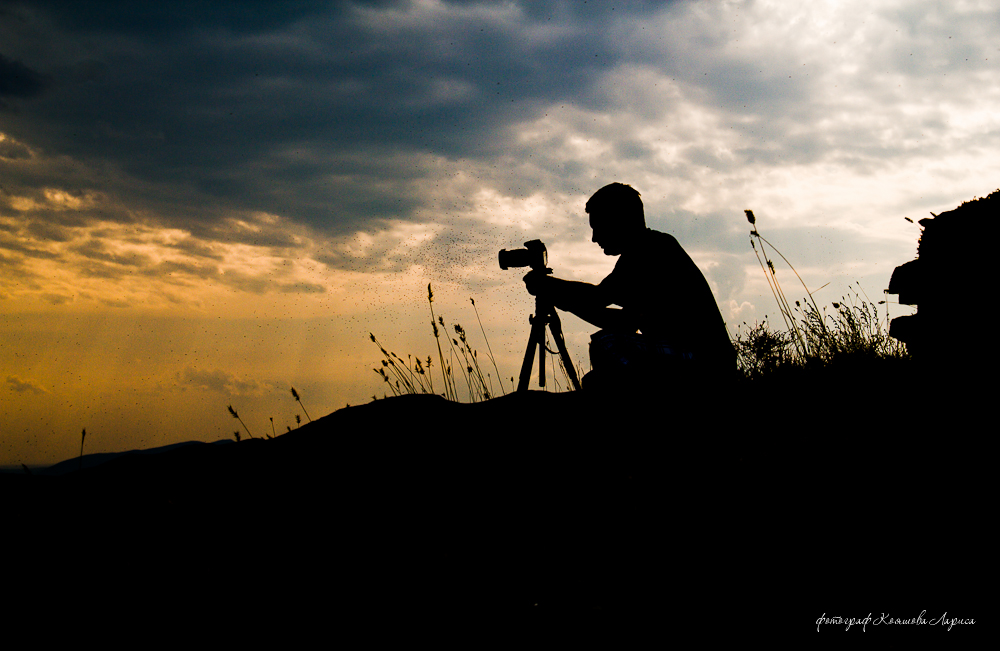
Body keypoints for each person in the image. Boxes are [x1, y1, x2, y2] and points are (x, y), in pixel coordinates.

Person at [522, 182, 734, 391]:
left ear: (620, 220)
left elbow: (599, 297)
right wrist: (562, 299)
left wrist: (550, 287)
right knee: (598, 379)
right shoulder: (649, 250)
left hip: (704, 361)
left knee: (606, 344)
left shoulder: (650, 250)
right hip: (705, 361)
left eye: (598, 227)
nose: (594, 238)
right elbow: (625, 322)